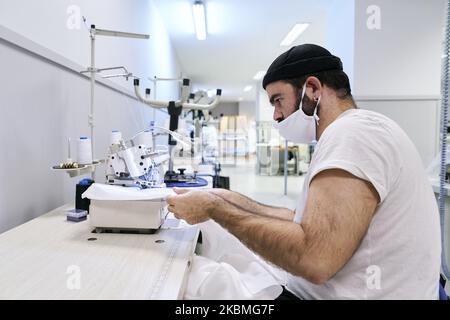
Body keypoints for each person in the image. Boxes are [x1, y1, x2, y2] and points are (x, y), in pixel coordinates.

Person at [166, 44, 441, 299]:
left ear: (312, 89)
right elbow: (301, 220)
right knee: (220, 245)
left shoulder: (353, 134)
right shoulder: (355, 130)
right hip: (324, 288)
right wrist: (224, 198)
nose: (275, 115)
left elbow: (316, 260)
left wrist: (216, 208)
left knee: (194, 283)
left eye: (277, 100)